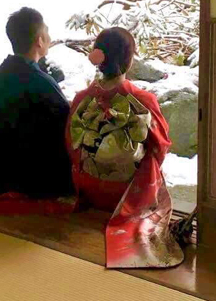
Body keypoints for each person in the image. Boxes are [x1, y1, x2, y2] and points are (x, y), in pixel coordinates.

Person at [65, 27, 184, 268]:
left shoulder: (81, 99)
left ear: (97, 58)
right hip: (128, 194)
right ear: (129, 61)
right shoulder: (143, 101)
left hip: (90, 187)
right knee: (152, 159)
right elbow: (160, 147)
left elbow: (71, 145)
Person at [0, 7, 73, 201]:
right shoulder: (41, 81)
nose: (49, 36)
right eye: (46, 32)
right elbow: (69, 123)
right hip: (30, 180)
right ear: (39, 41)